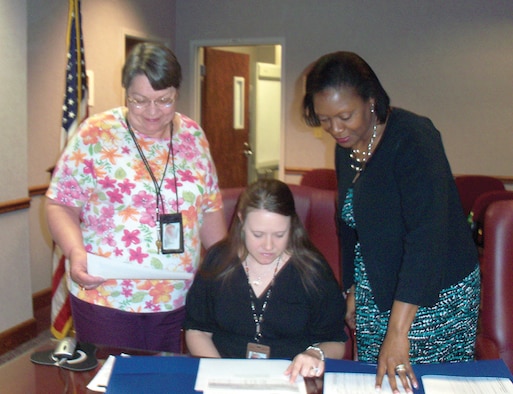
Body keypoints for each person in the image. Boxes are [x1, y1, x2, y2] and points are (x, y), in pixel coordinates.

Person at [302, 51, 480, 393]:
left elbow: (427, 238)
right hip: (377, 287)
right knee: (381, 383)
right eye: (324, 119)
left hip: (434, 293)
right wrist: (352, 288)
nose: (335, 129)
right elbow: (350, 225)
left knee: (422, 382)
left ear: (371, 100)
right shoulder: (347, 147)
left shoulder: (414, 138)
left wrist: (399, 331)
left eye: (345, 115)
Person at [46, 42, 227, 353]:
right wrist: (75, 252)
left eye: (164, 101)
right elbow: (60, 204)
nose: (153, 112)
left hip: (175, 296)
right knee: (112, 381)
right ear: (125, 94)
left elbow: (209, 207)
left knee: (165, 382)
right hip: (105, 295)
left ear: (177, 94)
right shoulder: (96, 134)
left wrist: (226, 267)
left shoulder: (193, 137)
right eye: (140, 101)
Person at [184, 179, 347, 382]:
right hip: (224, 377)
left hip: (290, 380)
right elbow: (197, 330)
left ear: (292, 225)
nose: (268, 246)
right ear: (241, 221)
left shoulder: (312, 270)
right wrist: (221, 373)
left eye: (279, 234)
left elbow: (335, 341)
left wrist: (315, 354)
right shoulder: (219, 261)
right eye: (258, 234)